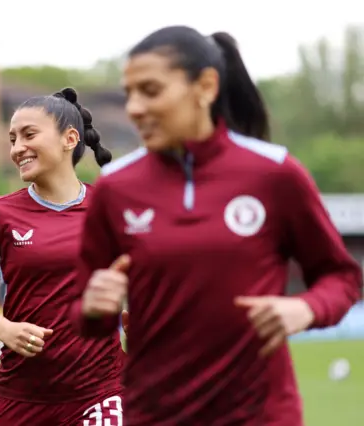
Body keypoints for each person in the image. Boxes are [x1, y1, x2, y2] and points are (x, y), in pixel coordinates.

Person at [72, 26, 363, 426]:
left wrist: (305, 307)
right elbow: (87, 317)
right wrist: (93, 307)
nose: (135, 108)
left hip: (261, 415)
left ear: (206, 86)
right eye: (130, 93)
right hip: (156, 416)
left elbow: (342, 277)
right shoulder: (115, 188)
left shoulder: (275, 173)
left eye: (151, 90)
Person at [0, 88, 126, 426]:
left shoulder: (109, 208)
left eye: (29, 135)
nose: (17, 148)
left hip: (102, 392)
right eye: (13, 139)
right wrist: (4, 329)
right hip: (22, 398)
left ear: (69, 138)